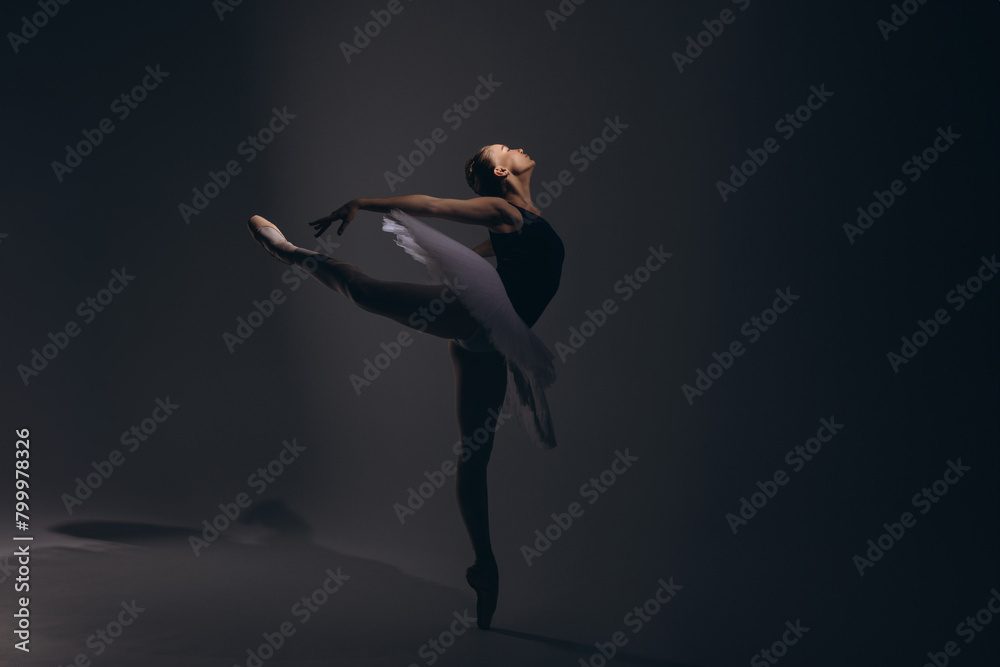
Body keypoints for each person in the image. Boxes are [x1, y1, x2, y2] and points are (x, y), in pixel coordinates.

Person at [247, 143, 565, 629]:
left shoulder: (522, 217)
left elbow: (490, 254)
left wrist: (467, 262)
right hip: (477, 317)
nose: (515, 146)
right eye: (502, 148)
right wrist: (363, 202)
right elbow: (433, 206)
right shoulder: (504, 208)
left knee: (474, 454)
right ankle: (287, 251)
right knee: (364, 289)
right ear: (501, 170)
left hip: (493, 338)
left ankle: (484, 564)